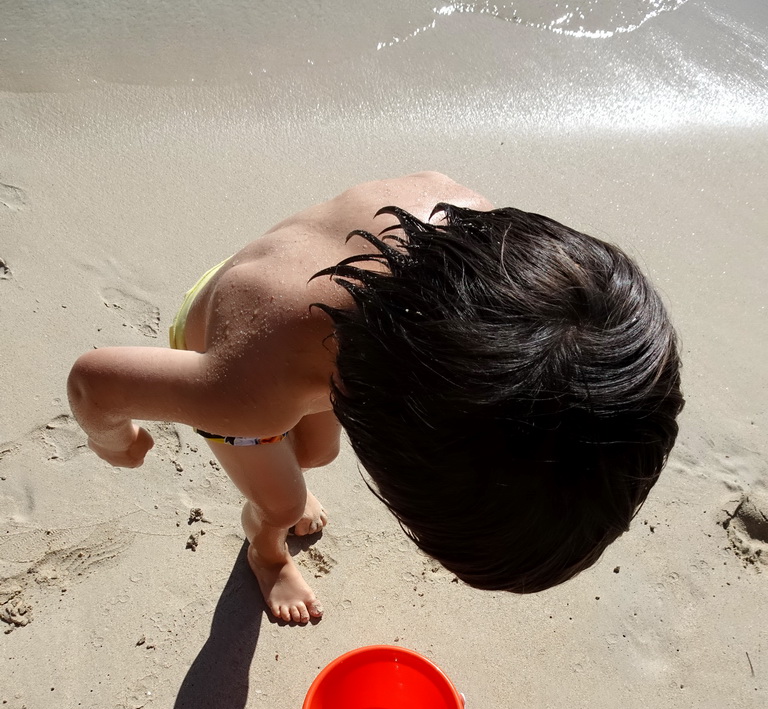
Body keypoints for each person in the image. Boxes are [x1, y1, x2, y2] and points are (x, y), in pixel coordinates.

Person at [67, 171, 683, 624]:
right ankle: (266, 551)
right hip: (231, 343)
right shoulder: (246, 392)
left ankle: (290, 481)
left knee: (313, 455)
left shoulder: (467, 218)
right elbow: (95, 380)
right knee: (281, 498)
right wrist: (115, 442)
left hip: (303, 296)